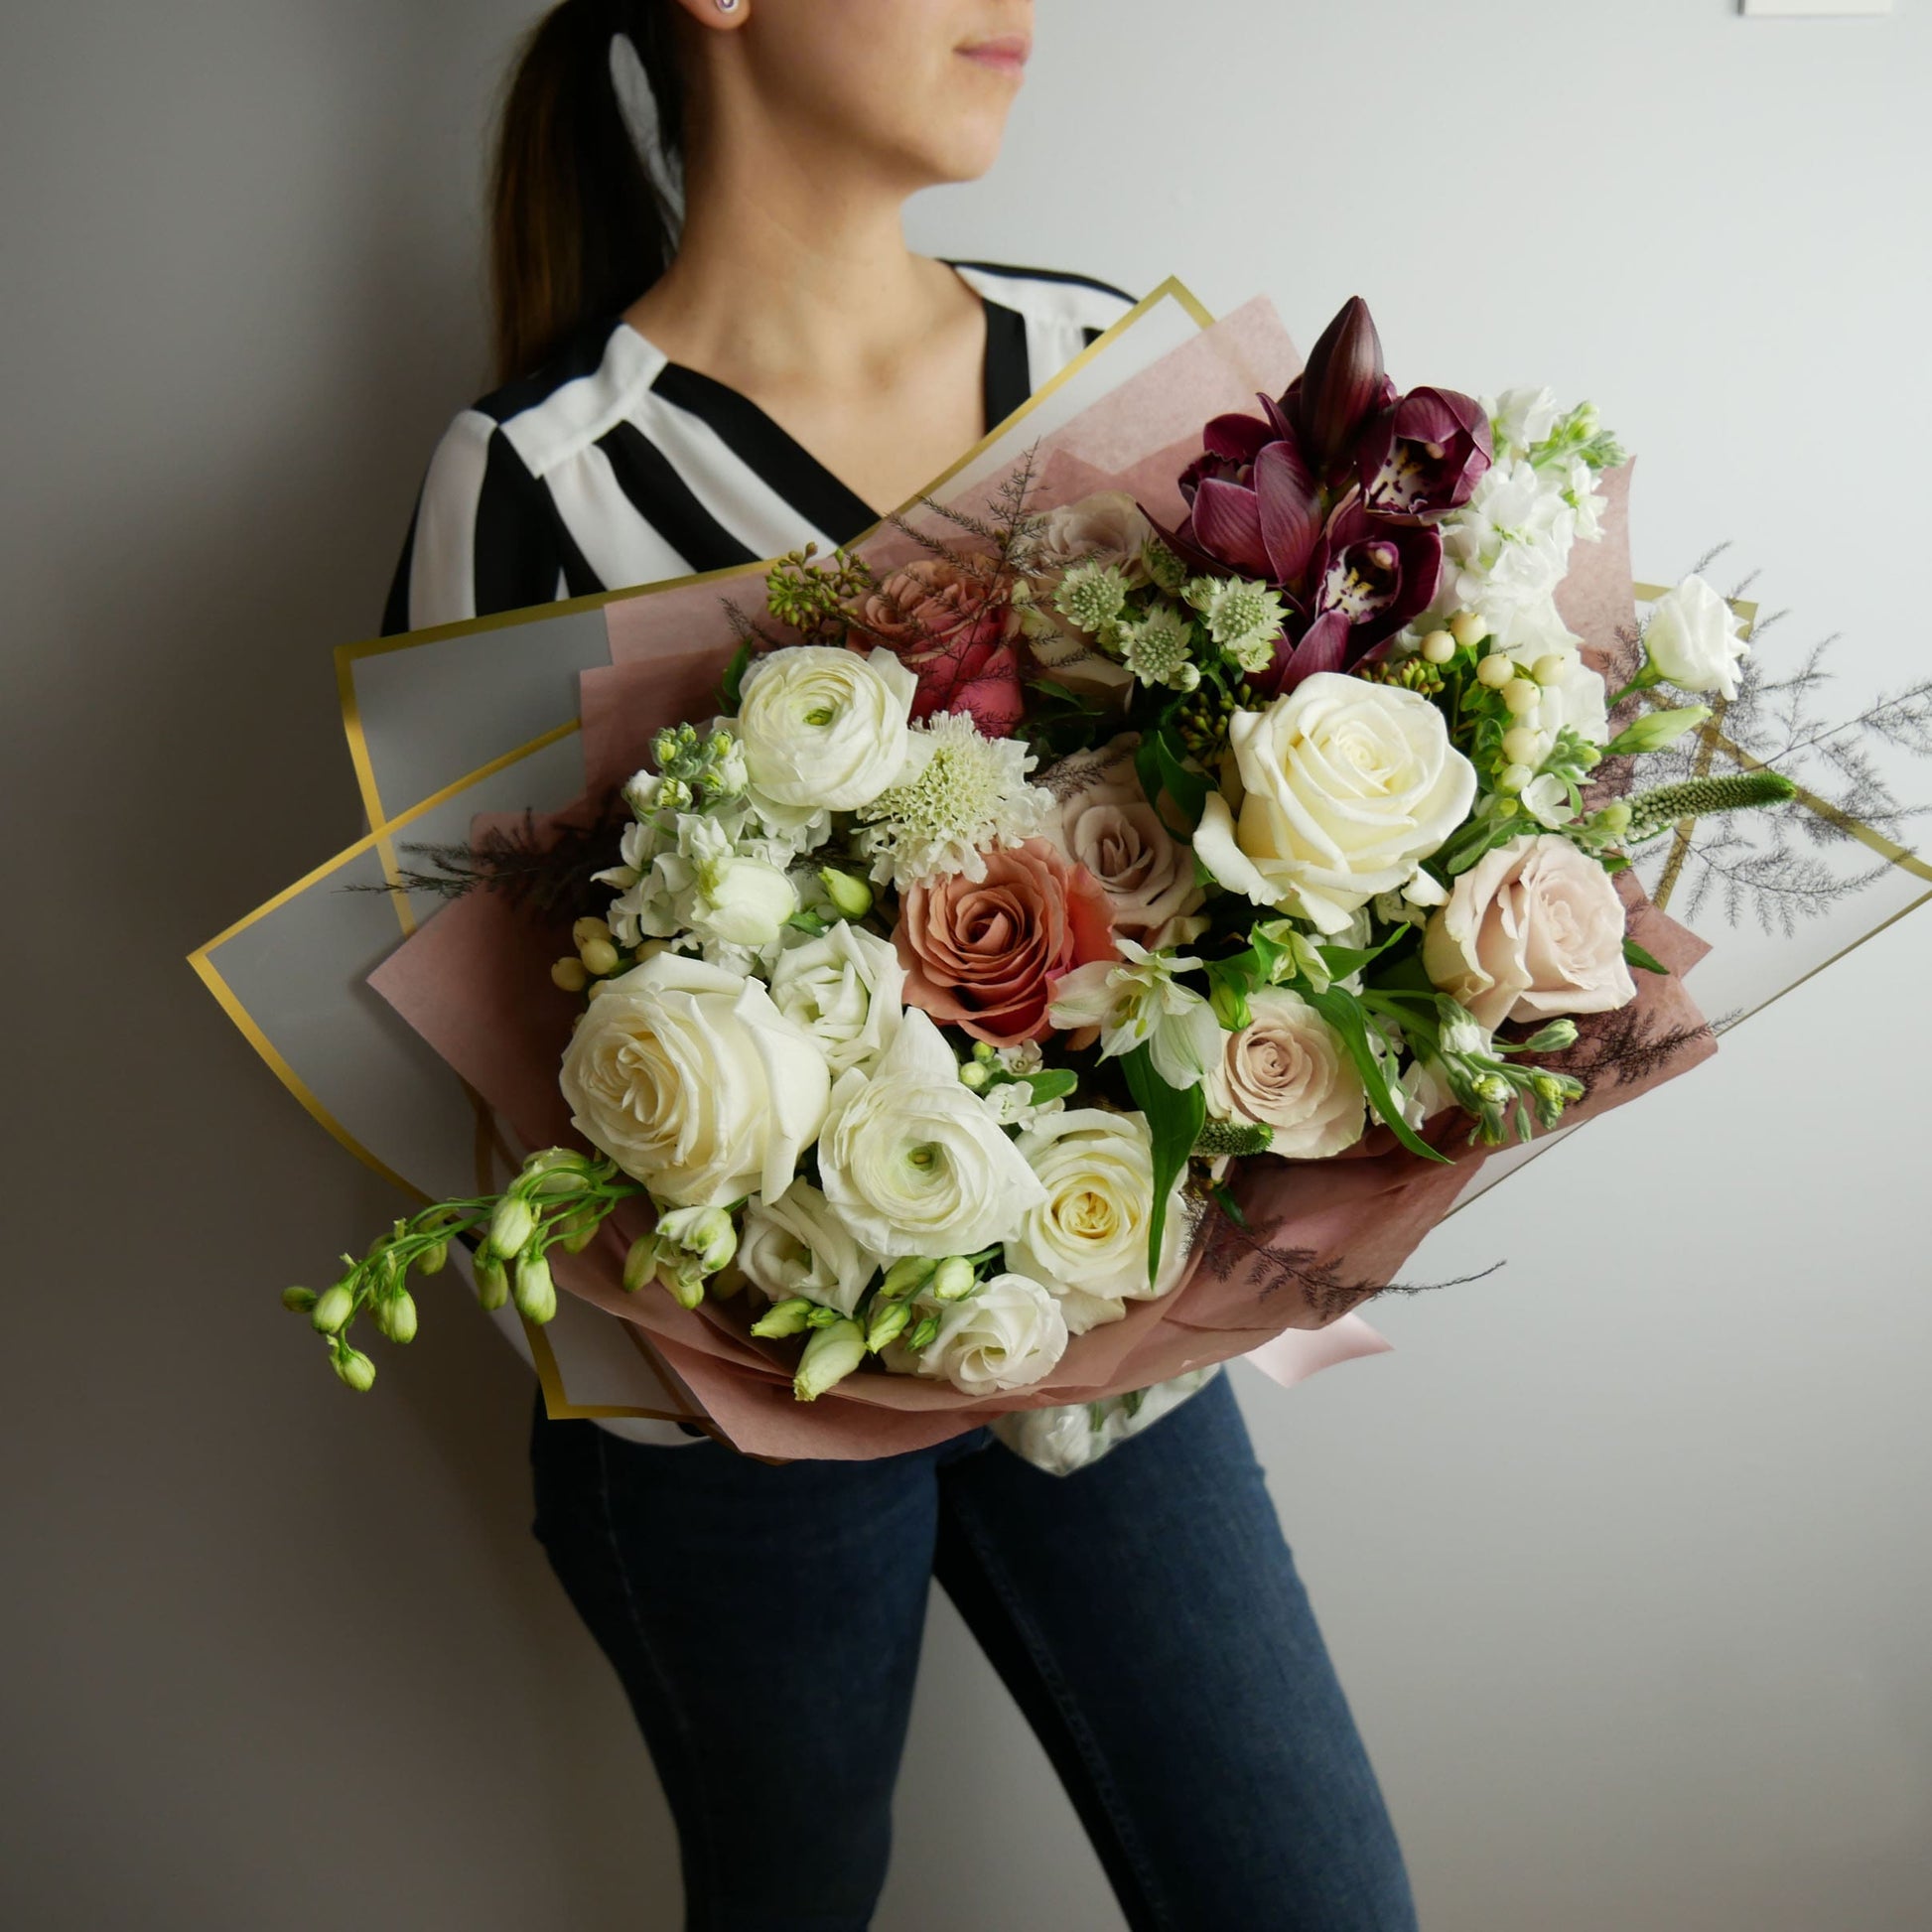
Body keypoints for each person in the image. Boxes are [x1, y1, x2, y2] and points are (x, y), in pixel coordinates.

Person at [381, 4, 1418, 1927]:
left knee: (1312, 1894)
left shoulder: (1097, 359)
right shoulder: (541, 476)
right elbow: (479, 1039)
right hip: (720, 1399)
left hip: (1100, 1329)